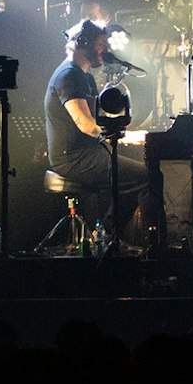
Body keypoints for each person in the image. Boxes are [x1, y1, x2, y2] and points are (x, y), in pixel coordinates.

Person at [44, 18, 149, 245]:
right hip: (73, 158)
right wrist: (128, 137)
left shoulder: (85, 76)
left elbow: (98, 120)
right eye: (102, 45)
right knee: (145, 177)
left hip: (89, 152)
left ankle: (104, 236)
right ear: (84, 43)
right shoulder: (69, 76)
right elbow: (86, 124)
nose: (106, 50)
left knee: (137, 172)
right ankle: (115, 239)